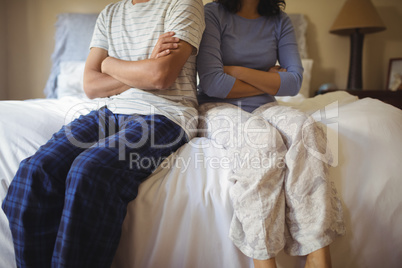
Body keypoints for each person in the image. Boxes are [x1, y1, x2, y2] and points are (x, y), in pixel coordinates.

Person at [1, 0, 205, 267]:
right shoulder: (111, 13)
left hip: (165, 114)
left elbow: (160, 76)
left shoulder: (184, 4)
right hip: (110, 110)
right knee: (36, 170)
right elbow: (91, 85)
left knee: (89, 169)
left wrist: (108, 64)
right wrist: (143, 66)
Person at [195, 0, 345, 267]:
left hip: (265, 105)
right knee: (261, 139)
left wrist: (237, 71)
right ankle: (263, 259)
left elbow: (293, 83)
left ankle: (318, 252)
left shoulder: (280, 20)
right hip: (216, 107)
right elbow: (212, 82)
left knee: (305, 128)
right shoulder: (212, 13)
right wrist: (267, 79)